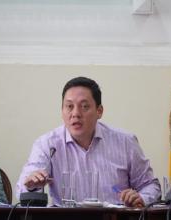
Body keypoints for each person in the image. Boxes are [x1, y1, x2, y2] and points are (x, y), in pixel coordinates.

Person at [16, 76, 161, 207]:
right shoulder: (47, 144)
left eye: (84, 106)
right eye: (69, 106)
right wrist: (31, 186)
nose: (76, 114)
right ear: (62, 111)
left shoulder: (125, 142)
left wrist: (141, 198)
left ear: (99, 111)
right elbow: (22, 189)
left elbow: (150, 185)